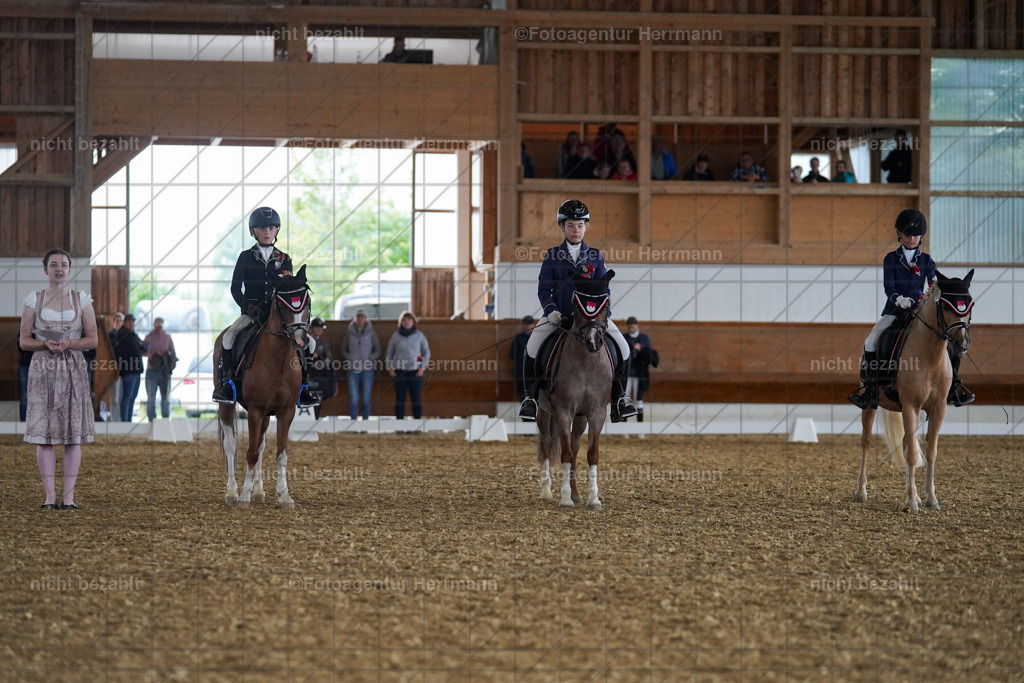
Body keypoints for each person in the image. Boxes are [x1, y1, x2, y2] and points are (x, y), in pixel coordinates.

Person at [518, 199, 637, 423]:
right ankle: (530, 398)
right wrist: (551, 311)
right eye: (571, 225)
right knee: (531, 348)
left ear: (585, 227)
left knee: (623, 348)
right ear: (562, 227)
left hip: (591, 317)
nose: (576, 230)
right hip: (558, 316)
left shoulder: (595, 256)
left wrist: (603, 315)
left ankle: (620, 397)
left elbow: (604, 289)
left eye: (580, 225)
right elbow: (544, 289)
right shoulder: (552, 255)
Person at [847, 209, 973, 409]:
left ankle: (954, 386)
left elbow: (933, 283)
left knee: (950, 340)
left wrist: (938, 291)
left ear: (921, 236)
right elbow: (889, 287)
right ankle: (870, 390)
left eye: (916, 235)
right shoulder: (890, 259)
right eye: (908, 234)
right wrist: (899, 300)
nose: (912, 238)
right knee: (871, 340)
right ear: (899, 234)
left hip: (919, 311)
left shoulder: (926, 260)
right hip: (895, 310)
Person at [213, 206, 320, 407]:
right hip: (252, 314)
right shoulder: (245, 257)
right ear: (253, 231)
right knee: (228, 337)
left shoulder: (284, 258)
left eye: (271, 228)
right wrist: (248, 308)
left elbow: (288, 289)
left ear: (277, 230)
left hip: (278, 316)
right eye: (262, 228)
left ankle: (304, 386)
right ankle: (228, 383)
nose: (267, 232)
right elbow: (235, 288)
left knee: (310, 343)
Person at [20, 248, 97, 510]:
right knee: (44, 435)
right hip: (42, 370)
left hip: (73, 367)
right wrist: (44, 344)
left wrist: (70, 343)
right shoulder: (34, 300)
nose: (59, 269)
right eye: (54, 265)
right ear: (45, 269)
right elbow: (24, 340)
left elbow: (93, 339)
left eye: (63, 264)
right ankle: (50, 497)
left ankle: (69, 497)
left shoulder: (81, 300)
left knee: (73, 436)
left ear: (69, 269)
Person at [386, 311, 430, 420]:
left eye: (409, 319)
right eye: (404, 320)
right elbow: (389, 353)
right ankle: (400, 424)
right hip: (399, 371)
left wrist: (422, 367)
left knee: (416, 399)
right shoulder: (395, 336)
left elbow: (426, 352)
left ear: (413, 322)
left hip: (415, 371)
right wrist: (390, 367)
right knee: (400, 399)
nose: (406, 322)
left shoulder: (419, 335)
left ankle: (417, 423)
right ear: (401, 322)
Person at [341, 308, 381, 420]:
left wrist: (370, 358)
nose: (360, 319)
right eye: (358, 316)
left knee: (366, 397)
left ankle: (365, 421)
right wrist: (349, 357)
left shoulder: (371, 333)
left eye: (362, 317)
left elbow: (378, 350)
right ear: (355, 318)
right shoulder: (349, 332)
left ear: (366, 318)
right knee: (353, 397)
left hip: (367, 369)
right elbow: (343, 348)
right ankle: (353, 421)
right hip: (352, 369)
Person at [113, 314, 146, 422]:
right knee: (127, 397)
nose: (132, 324)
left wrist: (142, 348)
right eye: (130, 322)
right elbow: (137, 350)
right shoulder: (123, 335)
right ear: (126, 323)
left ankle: (128, 420)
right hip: (129, 370)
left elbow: (143, 347)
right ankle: (125, 421)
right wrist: (142, 348)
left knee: (132, 397)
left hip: (135, 370)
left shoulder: (132, 334)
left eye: (133, 322)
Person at [143, 317, 175, 421]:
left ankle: (165, 418)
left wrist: (164, 353)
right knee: (151, 398)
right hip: (152, 370)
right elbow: (142, 351)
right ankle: (151, 419)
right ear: (154, 326)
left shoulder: (168, 337)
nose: (159, 329)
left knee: (165, 397)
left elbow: (173, 353)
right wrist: (153, 352)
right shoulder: (148, 337)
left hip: (164, 371)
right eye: (157, 327)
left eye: (160, 327)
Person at [624, 317, 654, 422]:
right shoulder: (624, 337)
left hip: (640, 373)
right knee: (625, 398)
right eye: (629, 327)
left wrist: (640, 348)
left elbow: (650, 354)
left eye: (633, 327)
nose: (631, 329)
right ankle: (624, 424)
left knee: (638, 398)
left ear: (637, 326)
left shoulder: (644, 338)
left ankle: (640, 424)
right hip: (627, 373)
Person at [309, 318, 338, 419]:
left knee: (318, 398)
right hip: (307, 373)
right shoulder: (305, 340)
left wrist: (317, 364)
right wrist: (310, 360)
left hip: (319, 374)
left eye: (320, 328)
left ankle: (316, 418)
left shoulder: (323, 343)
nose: (319, 330)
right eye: (316, 327)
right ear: (312, 328)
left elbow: (328, 358)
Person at [509, 315, 536, 401]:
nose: (528, 326)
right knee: (524, 397)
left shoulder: (537, 338)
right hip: (521, 373)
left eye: (530, 324)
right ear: (523, 326)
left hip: (535, 373)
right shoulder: (519, 338)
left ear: (534, 325)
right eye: (526, 324)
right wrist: (526, 354)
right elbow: (512, 354)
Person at [107, 312, 124, 421]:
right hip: (114, 370)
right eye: (117, 321)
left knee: (123, 397)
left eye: (120, 321)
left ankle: (123, 419)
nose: (118, 323)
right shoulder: (110, 335)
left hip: (125, 370)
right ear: (113, 322)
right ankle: (115, 420)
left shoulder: (126, 334)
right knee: (115, 398)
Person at [17, 334, 32, 421]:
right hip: (25, 365)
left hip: (40, 365)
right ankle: (23, 422)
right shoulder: (23, 332)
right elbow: (21, 347)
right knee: (24, 396)